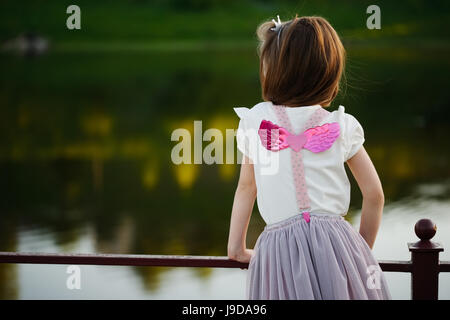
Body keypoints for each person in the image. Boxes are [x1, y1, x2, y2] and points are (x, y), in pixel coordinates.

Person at [227, 15, 391, 300]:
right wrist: (359, 252)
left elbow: (246, 188)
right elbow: (374, 194)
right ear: (330, 73)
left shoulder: (256, 121)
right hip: (337, 244)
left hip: (280, 251)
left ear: (272, 70)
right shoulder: (342, 124)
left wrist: (237, 250)